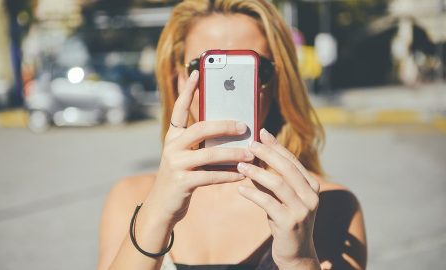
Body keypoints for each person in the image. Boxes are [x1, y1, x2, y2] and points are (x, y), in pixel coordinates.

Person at [98, 1, 367, 269]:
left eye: (251, 69)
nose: (230, 88)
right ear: (177, 78)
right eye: (205, 68)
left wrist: (299, 260)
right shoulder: (131, 198)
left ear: (276, 83)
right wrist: (156, 217)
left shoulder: (324, 204)